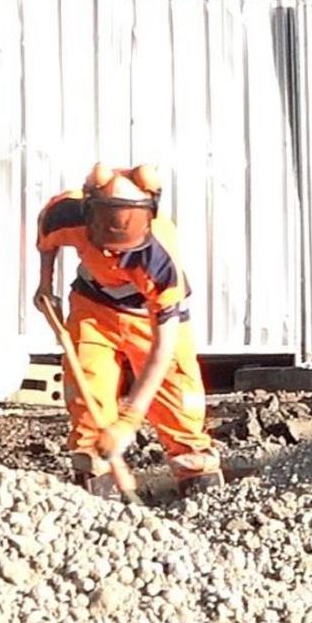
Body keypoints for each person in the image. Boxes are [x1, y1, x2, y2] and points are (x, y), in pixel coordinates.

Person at [33, 164, 219, 501]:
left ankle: (200, 491)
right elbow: (47, 240)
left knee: (179, 405)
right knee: (88, 400)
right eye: (106, 243)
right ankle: (95, 495)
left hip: (150, 319)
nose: (112, 254)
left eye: (122, 248)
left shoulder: (160, 261)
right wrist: (44, 285)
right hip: (93, 308)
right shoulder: (65, 213)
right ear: (90, 215)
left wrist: (129, 420)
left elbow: (163, 349)